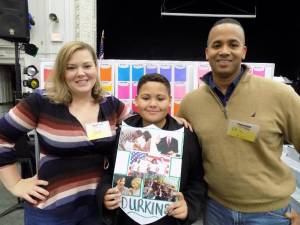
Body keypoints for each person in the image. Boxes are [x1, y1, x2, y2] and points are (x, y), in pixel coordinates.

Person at [177, 18, 300, 225]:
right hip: (216, 210)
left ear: (243, 51)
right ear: (207, 53)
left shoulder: (280, 95)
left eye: (233, 45)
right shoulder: (191, 103)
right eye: (217, 45)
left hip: (270, 214)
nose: (224, 51)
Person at [0, 41, 130, 225]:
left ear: (96, 68)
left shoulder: (110, 104)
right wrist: (15, 184)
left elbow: (139, 131)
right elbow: (2, 136)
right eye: (71, 67)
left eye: (87, 66)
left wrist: (175, 121)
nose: (81, 73)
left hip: (98, 208)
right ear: (62, 71)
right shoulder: (42, 102)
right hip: (52, 210)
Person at [98, 73, 206, 225]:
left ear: (170, 101)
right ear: (135, 100)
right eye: (146, 98)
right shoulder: (124, 132)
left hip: (168, 219)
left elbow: (197, 180)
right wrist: (105, 193)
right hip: (126, 219)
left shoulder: (185, 136)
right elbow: (108, 172)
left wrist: (189, 206)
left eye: (160, 98)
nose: (153, 104)